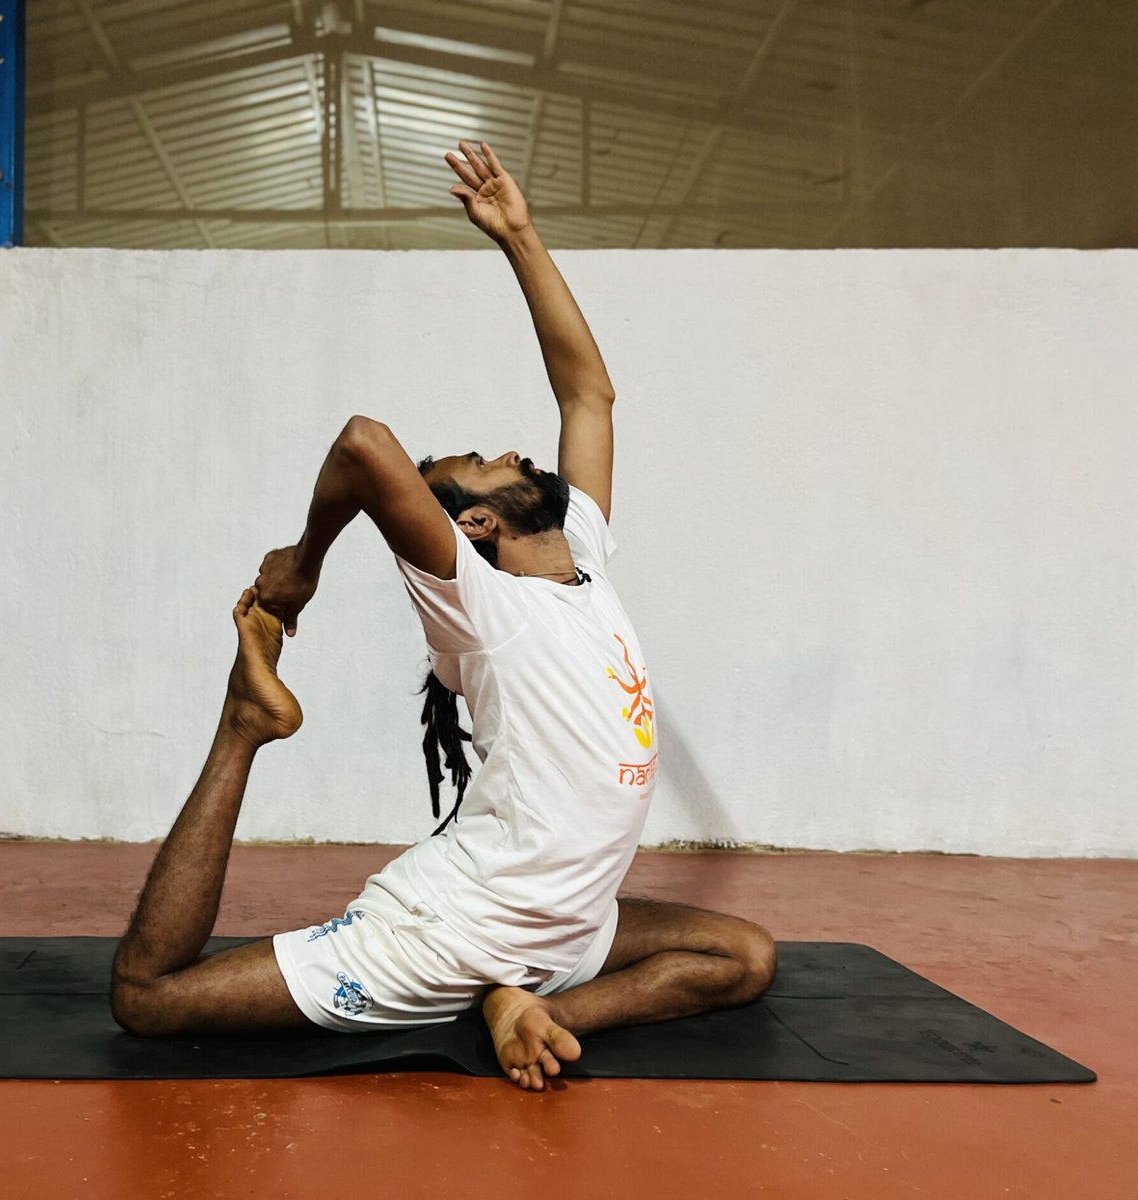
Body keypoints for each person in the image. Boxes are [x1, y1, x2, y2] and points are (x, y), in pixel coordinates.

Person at [110, 141, 777, 1091]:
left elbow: (588, 390)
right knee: (148, 1000)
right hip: (451, 928)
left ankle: (525, 1005)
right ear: (474, 522)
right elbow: (362, 445)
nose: (514, 450)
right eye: (489, 462)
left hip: (572, 928)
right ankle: (242, 727)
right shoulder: (479, 599)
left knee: (743, 957)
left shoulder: (581, 552)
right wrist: (299, 574)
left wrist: (520, 236)